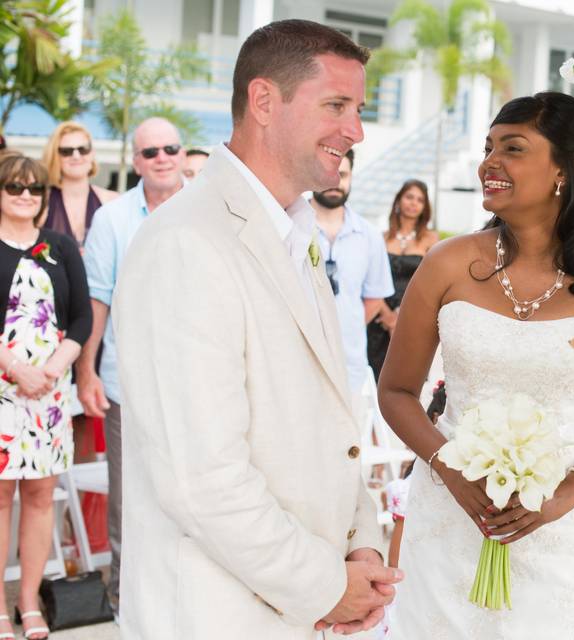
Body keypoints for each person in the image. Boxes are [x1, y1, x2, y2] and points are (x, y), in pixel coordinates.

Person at [112, 20, 401, 638]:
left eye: (358, 109)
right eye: (336, 106)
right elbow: (203, 481)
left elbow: (329, 424)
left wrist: (362, 547)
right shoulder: (187, 242)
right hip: (218, 616)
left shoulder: (298, 234)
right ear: (264, 101)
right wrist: (326, 587)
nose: (355, 130)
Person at [378, 91, 574, 638]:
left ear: (565, 169)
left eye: (513, 148)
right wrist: (449, 469)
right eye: (487, 148)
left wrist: (568, 494)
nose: (489, 163)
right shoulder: (447, 263)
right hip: (451, 515)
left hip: (557, 529)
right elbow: (397, 392)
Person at [76, 116, 186, 612]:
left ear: (183, 154)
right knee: (128, 493)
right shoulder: (113, 219)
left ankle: (184, 588)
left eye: (170, 148)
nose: (161, 157)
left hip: (200, 380)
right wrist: (87, 371)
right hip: (130, 379)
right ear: (135, 162)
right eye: (150, 152)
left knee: (195, 487)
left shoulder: (211, 210)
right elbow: (97, 299)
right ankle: (127, 595)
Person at [0, 153, 92, 640]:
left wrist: (55, 369)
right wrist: (15, 368)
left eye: (34, 188)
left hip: (49, 393)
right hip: (1, 390)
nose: (25, 195)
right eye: (15, 186)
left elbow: (82, 317)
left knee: (40, 497)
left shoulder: (59, 246)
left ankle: (30, 601)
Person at [309, 149, 394, 391]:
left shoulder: (369, 235)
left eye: (343, 175)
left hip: (349, 362)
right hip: (296, 359)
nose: (335, 181)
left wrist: (343, 326)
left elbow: (374, 298)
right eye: (328, 173)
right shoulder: (290, 225)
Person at [367, 180, 439, 378]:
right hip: (378, 315)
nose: (413, 203)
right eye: (409, 197)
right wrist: (388, 316)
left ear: (425, 207)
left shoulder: (431, 239)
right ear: (399, 200)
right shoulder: (380, 238)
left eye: (420, 200)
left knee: (404, 377)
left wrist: (399, 317)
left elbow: (431, 284)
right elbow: (371, 279)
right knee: (373, 375)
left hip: (411, 316)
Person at [41, 121, 119, 245]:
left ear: (92, 153)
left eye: (83, 149)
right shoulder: (40, 201)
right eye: (66, 151)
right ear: (55, 156)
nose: (76, 156)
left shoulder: (112, 201)